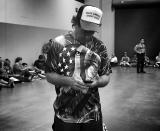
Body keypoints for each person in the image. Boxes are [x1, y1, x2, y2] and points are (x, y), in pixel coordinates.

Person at [45, 5, 110, 131]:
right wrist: (69, 81)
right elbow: (49, 75)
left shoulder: (100, 46)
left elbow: (106, 76)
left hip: (92, 113)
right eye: (85, 30)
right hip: (65, 114)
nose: (88, 36)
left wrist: (97, 82)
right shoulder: (57, 44)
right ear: (75, 22)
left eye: (92, 31)